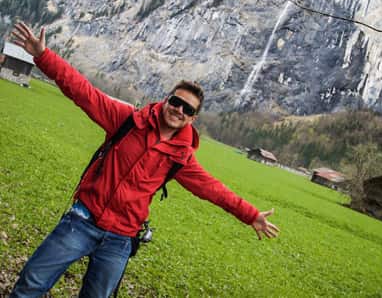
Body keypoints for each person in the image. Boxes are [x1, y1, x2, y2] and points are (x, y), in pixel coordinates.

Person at [8, 21, 280, 298]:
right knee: (31, 283)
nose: (178, 110)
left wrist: (251, 215)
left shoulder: (182, 155)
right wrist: (43, 56)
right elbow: (83, 92)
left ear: (192, 119)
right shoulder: (127, 119)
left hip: (121, 238)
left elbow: (213, 189)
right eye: (176, 101)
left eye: (187, 109)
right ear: (166, 100)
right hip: (83, 220)